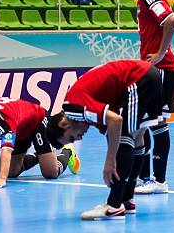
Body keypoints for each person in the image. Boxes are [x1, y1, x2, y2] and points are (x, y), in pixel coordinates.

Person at [46, 60, 163, 220]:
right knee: (136, 137)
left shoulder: (73, 108)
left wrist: (110, 162)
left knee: (125, 136)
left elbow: (115, 121)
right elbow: (112, 129)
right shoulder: (83, 110)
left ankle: (114, 206)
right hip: (149, 76)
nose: (79, 138)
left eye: (72, 137)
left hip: (139, 77)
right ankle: (126, 200)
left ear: (64, 123)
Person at [117, 0, 174, 195]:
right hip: (153, 68)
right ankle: (145, 178)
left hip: (161, 67)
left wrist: (161, 53)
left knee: (156, 123)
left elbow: (171, 20)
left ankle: (159, 181)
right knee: (145, 123)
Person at [0, 96, 79, 190]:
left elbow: (6, 150)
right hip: (20, 129)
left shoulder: (5, 121)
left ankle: (67, 151)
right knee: (12, 172)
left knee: (51, 173)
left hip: (38, 121)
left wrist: (1, 179)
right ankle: (41, 155)